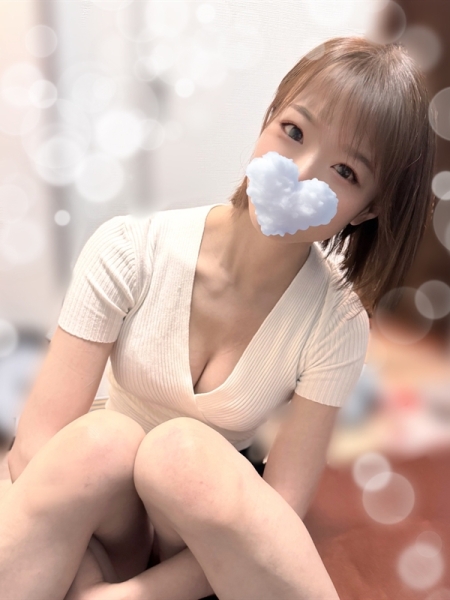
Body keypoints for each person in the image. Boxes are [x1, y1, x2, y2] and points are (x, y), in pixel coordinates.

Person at [0, 35, 436, 600]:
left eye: (344, 172)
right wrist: (85, 573)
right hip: (98, 502)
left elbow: (277, 519)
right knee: (104, 440)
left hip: (196, 526)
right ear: (267, 120)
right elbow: (35, 447)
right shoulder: (129, 251)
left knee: (180, 453)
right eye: (293, 131)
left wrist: (124, 596)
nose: (300, 172)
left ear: (368, 209)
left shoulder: (336, 322)